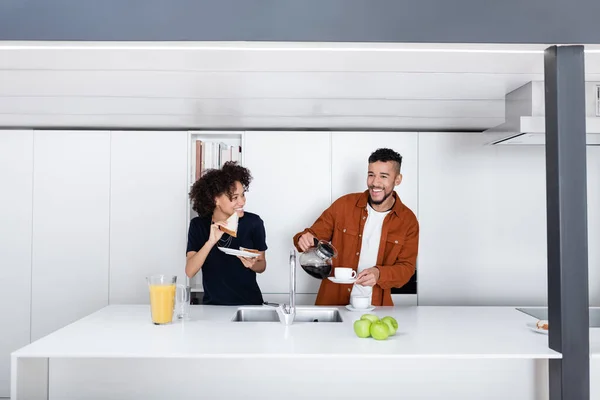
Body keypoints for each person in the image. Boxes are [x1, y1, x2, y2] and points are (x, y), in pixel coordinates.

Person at [293, 148, 419, 306]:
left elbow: (406, 269)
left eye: (383, 176)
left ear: (397, 179)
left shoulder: (408, 220)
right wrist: (304, 238)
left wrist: (380, 274)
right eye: (371, 174)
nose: (375, 182)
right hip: (333, 303)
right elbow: (311, 235)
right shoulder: (344, 205)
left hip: (375, 308)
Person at [185, 161, 267, 305]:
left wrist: (253, 264)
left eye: (243, 195)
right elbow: (190, 271)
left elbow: (262, 265)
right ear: (216, 199)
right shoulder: (199, 225)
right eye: (235, 197)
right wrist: (210, 242)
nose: (242, 202)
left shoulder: (254, 222)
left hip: (250, 305)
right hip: (213, 307)